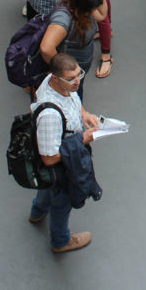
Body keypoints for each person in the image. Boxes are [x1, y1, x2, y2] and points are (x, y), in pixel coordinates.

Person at [28, 52, 99, 253]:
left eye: (79, 75)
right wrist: (82, 140)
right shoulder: (50, 115)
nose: (77, 82)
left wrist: (84, 114)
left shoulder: (60, 85)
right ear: (55, 77)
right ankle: (60, 241)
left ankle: (37, 212)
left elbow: (74, 98)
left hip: (55, 169)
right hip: (62, 169)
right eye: (70, 79)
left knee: (46, 189)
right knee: (61, 203)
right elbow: (49, 158)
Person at [39, 0, 108, 99]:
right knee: (71, 98)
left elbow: (102, 15)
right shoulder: (63, 19)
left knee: (75, 96)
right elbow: (46, 48)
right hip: (69, 76)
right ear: (85, 9)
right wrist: (63, 72)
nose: (94, 12)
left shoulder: (81, 12)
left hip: (76, 71)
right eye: (92, 9)